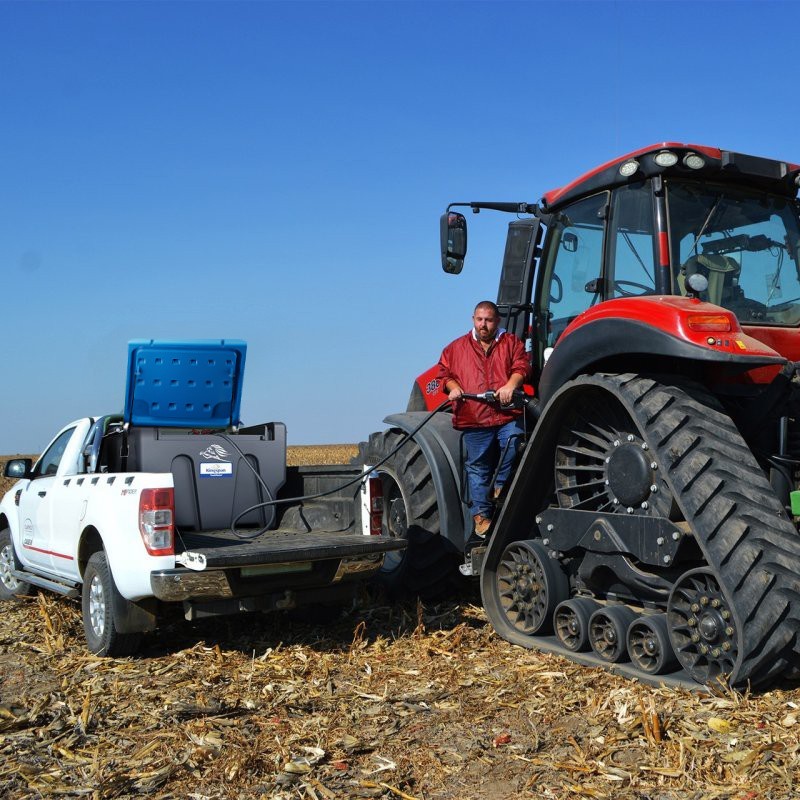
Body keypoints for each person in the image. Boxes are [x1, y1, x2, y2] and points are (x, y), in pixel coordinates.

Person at [437, 300, 529, 537]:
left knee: (514, 442)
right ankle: (481, 517)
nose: (483, 325)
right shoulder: (455, 348)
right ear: (473, 320)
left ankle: (500, 486)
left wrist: (510, 386)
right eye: (479, 319)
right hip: (474, 416)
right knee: (477, 467)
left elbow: (521, 367)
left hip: (506, 413)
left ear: (497, 321)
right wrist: (453, 388)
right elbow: (444, 375)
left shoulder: (511, 343)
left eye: (488, 320)